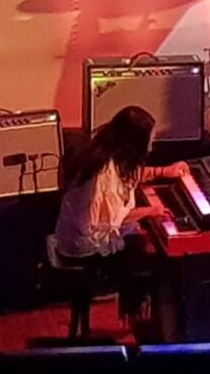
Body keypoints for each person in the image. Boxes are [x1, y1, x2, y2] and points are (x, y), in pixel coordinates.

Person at [54, 105, 190, 319]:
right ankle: (156, 323)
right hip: (83, 245)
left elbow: (129, 176)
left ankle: (143, 316)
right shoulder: (104, 172)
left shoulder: (106, 152)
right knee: (161, 262)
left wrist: (164, 171)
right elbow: (112, 221)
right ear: (134, 143)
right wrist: (151, 211)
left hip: (74, 233)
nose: (151, 148)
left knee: (147, 244)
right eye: (149, 141)